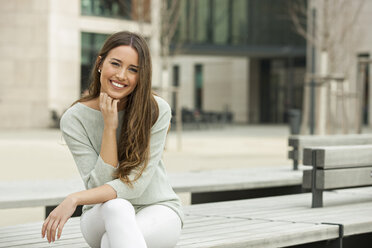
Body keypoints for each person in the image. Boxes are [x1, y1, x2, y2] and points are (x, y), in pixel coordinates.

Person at [41, 31, 183, 248]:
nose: (121, 75)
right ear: (100, 63)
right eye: (115, 64)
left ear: (141, 76)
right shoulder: (74, 119)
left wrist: (75, 198)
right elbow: (99, 188)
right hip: (100, 215)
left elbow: (135, 186)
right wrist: (110, 127)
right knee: (117, 207)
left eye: (133, 70)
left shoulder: (157, 110)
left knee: (111, 242)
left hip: (158, 210)